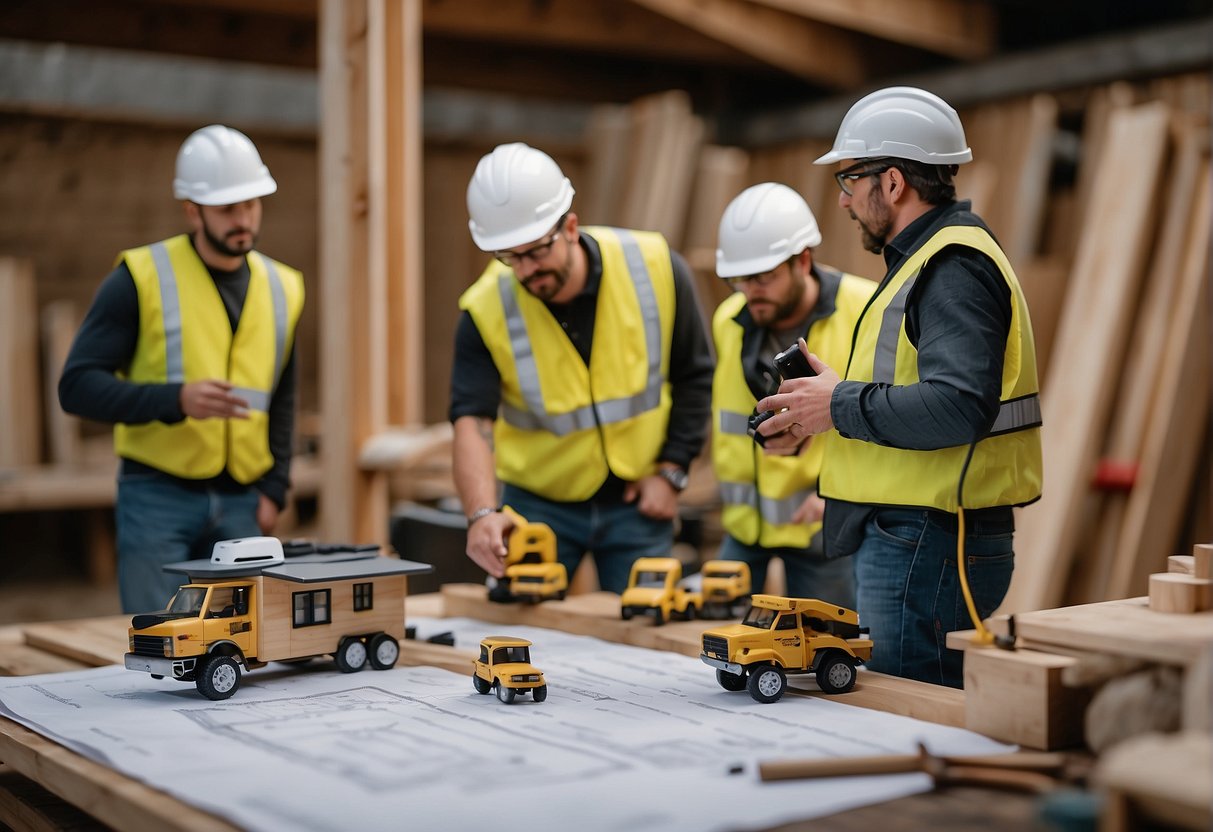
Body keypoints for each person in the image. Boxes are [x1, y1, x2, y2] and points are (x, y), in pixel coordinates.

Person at [753, 87, 1042, 688]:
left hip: (928, 543)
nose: (844, 202)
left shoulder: (951, 266)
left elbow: (957, 405)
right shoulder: (928, 261)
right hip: (917, 539)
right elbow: (916, 395)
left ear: (890, 183)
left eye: (848, 182)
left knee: (910, 709)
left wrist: (835, 403)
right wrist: (820, 411)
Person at [59, 125, 304, 613]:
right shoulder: (139, 277)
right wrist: (176, 400)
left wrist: (275, 488)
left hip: (243, 502)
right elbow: (76, 387)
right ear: (192, 209)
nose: (244, 220)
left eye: (251, 204)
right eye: (228, 209)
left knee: (244, 651)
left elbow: (284, 396)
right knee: (159, 645)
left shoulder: (285, 287)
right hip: (157, 498)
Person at [451, 142, 713, 594]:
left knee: (643, 636)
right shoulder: (483, 308)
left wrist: (672, 472)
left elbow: (695, 375)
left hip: (637, 502)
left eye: (536, 252)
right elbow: (471, 421)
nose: (527, 271)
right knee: (522, 641)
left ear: (570, 227)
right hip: (536, 507)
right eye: (509, 258)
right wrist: (480, 514)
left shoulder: (656, 268)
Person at [710, 183, 873, 606]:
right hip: (744, 527)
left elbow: (885, 415)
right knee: (724, 654)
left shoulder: (866, 312)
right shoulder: (729, 319)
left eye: (763, 277)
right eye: (739, 279)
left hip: (824, 526)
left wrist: (846, 500)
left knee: (829, 648)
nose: (750, 291)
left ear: (802, 260)